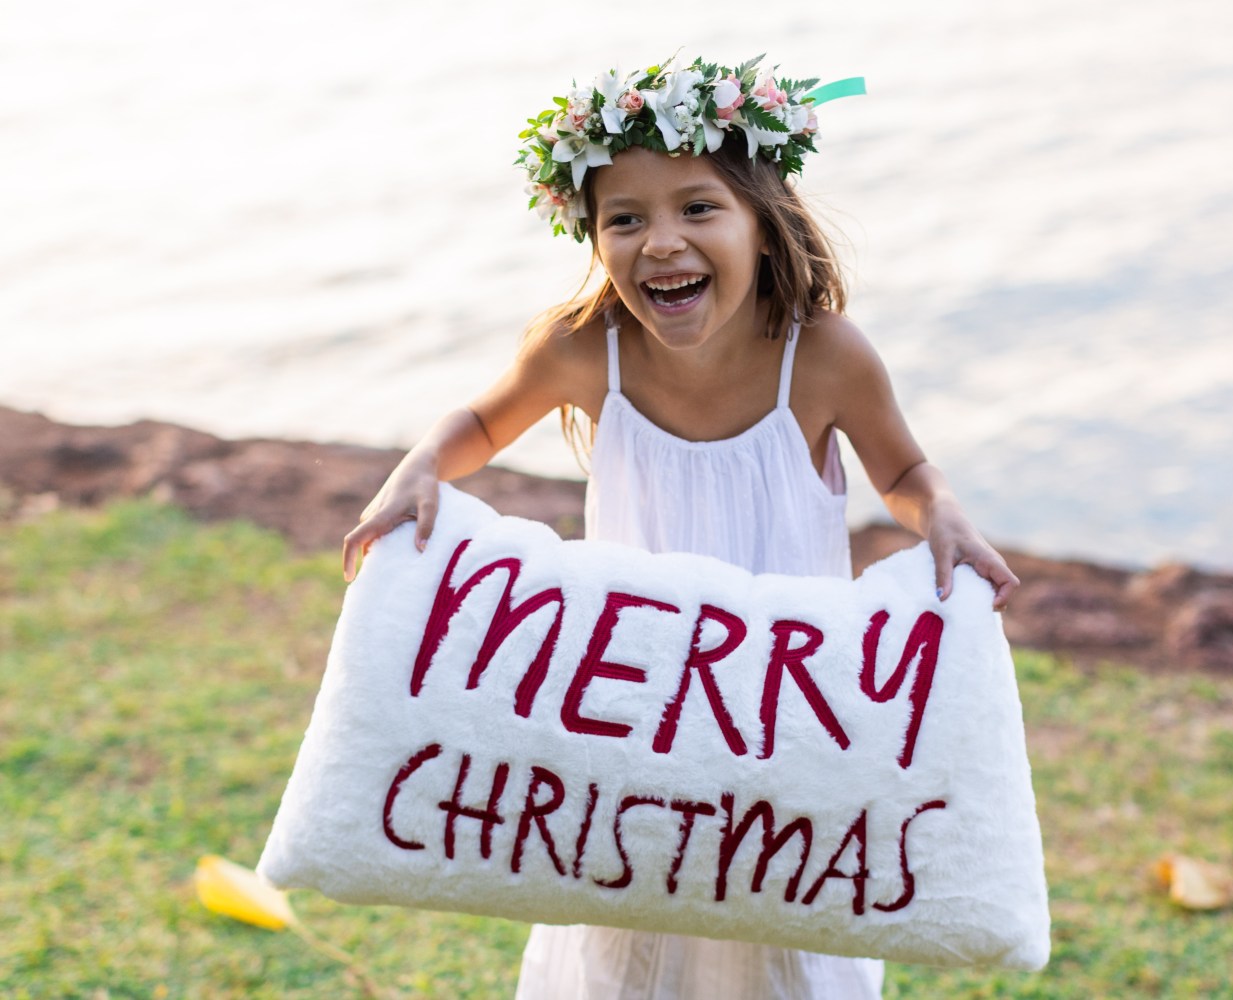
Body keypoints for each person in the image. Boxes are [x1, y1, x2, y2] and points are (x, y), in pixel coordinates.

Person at [342, 55, 1019, 1000]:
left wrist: (938, 512)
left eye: (698, 208)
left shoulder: (820, 356)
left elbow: (900, 470)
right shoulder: (584, 350)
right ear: (591, 234)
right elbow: (482, 422)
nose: (661, 242)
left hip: (778, 716)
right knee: (629, 924)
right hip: (629, 716)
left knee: (779, 927)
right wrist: (419, 468)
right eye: (625, 218)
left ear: (762, 223)